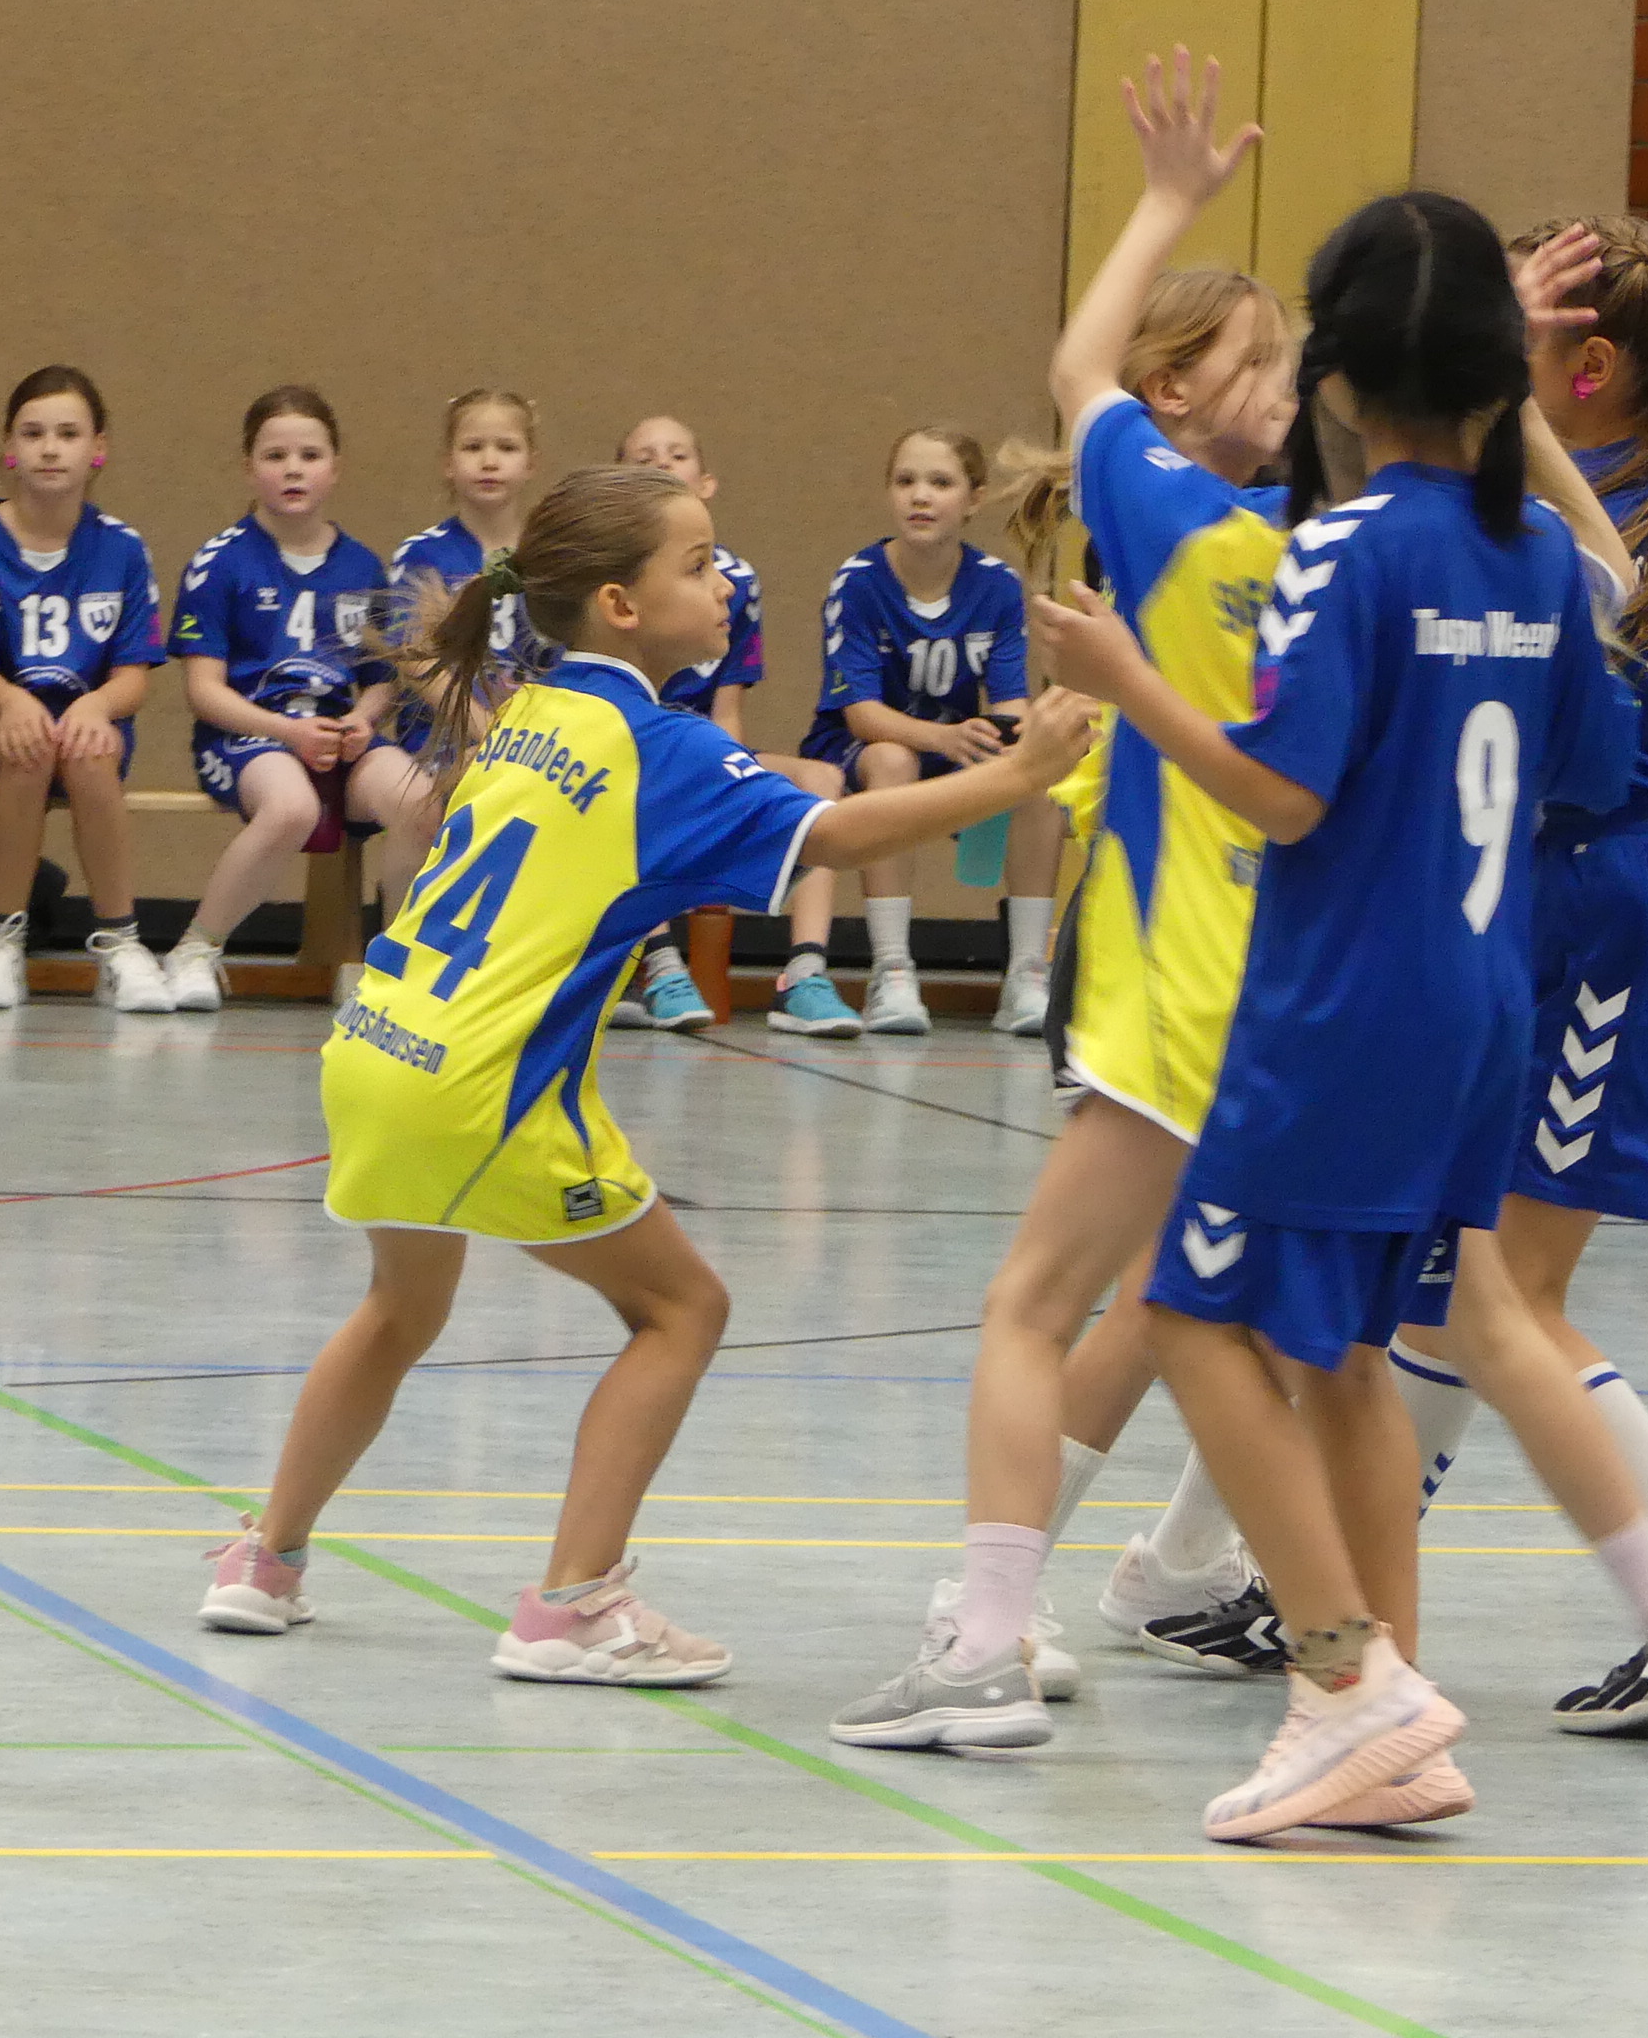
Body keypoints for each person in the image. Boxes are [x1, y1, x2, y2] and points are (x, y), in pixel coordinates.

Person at [1033, 190, 1648, 1843]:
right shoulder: (1537, 560)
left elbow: (1284, 797)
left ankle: (1343, 1676)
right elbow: (1590, 750)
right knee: (1359, 1358)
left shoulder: (1344, 548)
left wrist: (1128, 683)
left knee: (1190, 1311)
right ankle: (1401, 1711)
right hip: (1483, 1002)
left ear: (1336, 375)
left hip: (1339, 1006)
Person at [196, 466, 1095, 1681]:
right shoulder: (657, 746)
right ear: (620, 605)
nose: (724, 584)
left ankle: (266, 1560)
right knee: (682, 1310)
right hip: (487, 1083)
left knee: (400, 1308)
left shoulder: (529, 710)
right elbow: (828, 835)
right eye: (698, 563)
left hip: (377, 1049)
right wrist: (1021, 777)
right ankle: (573, 1606)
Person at [826, 50, 1299, 1757]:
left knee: (1037, 1307)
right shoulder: (1337, 540)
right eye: (1262, 360)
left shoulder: (1184, 526)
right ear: (1190, 390)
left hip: (1175, 977)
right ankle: (1280, 1623)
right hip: (1293, 986)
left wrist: (1166, 200)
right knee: (1203, 1302)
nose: (1288, 384)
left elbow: (1074, 366)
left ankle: (989, 1643)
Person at [163, 388, 429, 1012]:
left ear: (335, 468)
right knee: (291, 810)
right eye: (275, 455)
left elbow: (383, 676)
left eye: (310, 456)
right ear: (249, 467)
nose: (293, 469)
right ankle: (196, 949)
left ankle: (393, 968)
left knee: (420, 801)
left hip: (338, 737)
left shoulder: (361, 565)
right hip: (249, 737)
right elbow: (204, 692)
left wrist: (362, 719)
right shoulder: (220, 562)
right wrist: (288, 734)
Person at [600, 415, 862, 1037]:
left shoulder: (735, 582)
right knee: (628, 788)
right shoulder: (613, 580)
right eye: (645, 457)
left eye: (677, 454)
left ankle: (805, 973)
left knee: (821, 779)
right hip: (633, 749)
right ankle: (660, 965)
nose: (663, 465)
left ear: (706, 483)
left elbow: (727, 711)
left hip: (702, 746)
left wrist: (730, 779)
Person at [797, 429, 1057, 1035]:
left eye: (940, 483)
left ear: (973, 499)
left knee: (1039, 785)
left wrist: (1019, 742)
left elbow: (1011, 701)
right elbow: (862, 714)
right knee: (893, 760)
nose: (920, 496)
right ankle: (891, 971)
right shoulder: (859, 581)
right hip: (861, 749)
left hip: (954, 743)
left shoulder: (996, 585)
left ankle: (1027, 974)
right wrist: (945, 739)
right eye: (906, 481)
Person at [0, 366, 171, 1013]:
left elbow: (133, 678)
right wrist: (13, 702)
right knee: (29, 747)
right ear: (10, 448)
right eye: (33, 433)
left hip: (87, 722)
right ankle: (1, 944)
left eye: (68, 434)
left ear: (98, 449)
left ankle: (121, 945)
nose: (49, 448)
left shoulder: (122, 548)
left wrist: (96, 705)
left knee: (88, 752)